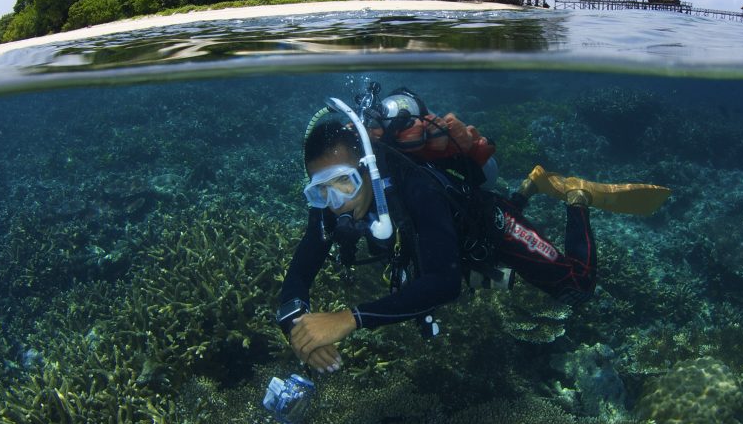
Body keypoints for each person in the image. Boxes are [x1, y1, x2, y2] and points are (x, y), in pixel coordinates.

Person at [276, 89, 670, 375]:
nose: (334, 201)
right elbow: (298, 276)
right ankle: (529, 187)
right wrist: (299, 330)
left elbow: (444, 284)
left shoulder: (416, 187)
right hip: (450, 238)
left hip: (486, 226)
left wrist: (350, 317)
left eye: (343, 183)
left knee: (577, 286)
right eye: (320, 189)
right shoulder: (328, 207)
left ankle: (576, 197)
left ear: (367, 167)